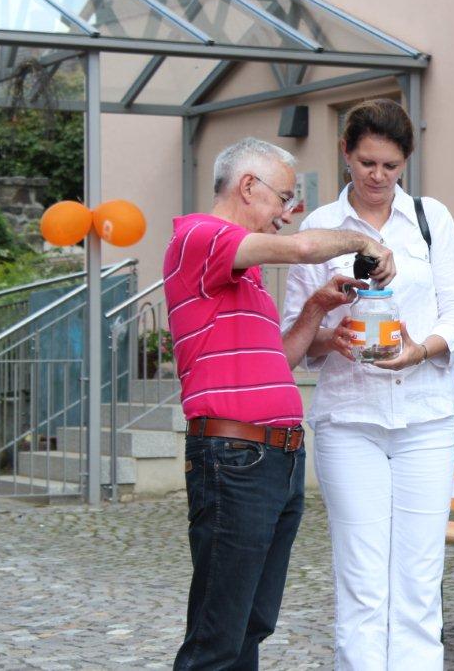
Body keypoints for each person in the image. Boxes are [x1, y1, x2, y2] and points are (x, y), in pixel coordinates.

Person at [166, 137, 394, 671]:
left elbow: (279, 358)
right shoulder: (198, 237)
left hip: (277, 458)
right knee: (218, 634)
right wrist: (365, 240)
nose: (287, 215)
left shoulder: (243, 280)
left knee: (252, 622)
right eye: (285, 199)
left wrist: (316, 307)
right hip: (234, 454)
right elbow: (299, 249)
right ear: (249, 187)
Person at [282, 99, 454, 669]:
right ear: (346, 153)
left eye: (391, 166)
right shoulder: (318, 228)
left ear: (405, 164)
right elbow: (297, 336)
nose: (378, 177)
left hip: (426, 417)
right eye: (367, 162)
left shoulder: (429, 218)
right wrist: (330, 331)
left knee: (420, 577)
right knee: (362, 577)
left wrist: (420, 350)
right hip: (349, 419)